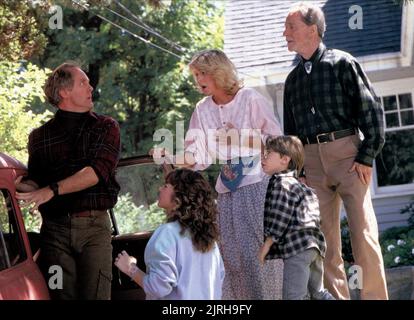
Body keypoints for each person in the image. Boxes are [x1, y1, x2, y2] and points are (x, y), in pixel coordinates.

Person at [153, 49, 283, 300]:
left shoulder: (249, 99)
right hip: (226, 189)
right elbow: (196, 156)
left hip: (258, 184)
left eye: (202, 73)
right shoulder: (202, 110)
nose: (197, 80)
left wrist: (241, 137)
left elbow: (278, 143)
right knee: (231, 256)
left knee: (260, 253)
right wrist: (168, 156)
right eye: (195, 75)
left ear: (218, 73)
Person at [282, 3, 388, 299]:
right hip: (312, 165)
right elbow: (291, 134)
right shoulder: (292, 81)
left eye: (291, 27)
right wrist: (300, 170)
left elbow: (373, 113)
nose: (285, 33)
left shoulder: (343, 63)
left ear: (311, 29)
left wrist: (366, 156)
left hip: (348, 156)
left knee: (363, 236)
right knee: (324, 243)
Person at [15, 61, 121, 300]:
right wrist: (19, 187)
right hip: (54, 231)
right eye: (83, 82)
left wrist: (51, 190)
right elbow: (36, 185)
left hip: (95, 228)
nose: (91, 87)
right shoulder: (38, 137)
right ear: (64, 92)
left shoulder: (106, 127)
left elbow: (95, 172)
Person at [114, 169, 224, 300]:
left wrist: (130, 268)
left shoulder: (167, 233)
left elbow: (158, 288)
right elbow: (220, 278)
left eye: (166, 186)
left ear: (179, 198)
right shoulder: (209, 239)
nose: (160, 189)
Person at [259, 135, 335, 300]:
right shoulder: (301, 186)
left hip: (297, 248)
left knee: (293, 296)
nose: (263, 159)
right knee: (318, 293)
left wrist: (266, 246)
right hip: (315, 246)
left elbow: (280, 215)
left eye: (268, 154)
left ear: (284, 160)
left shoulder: (281, 183)